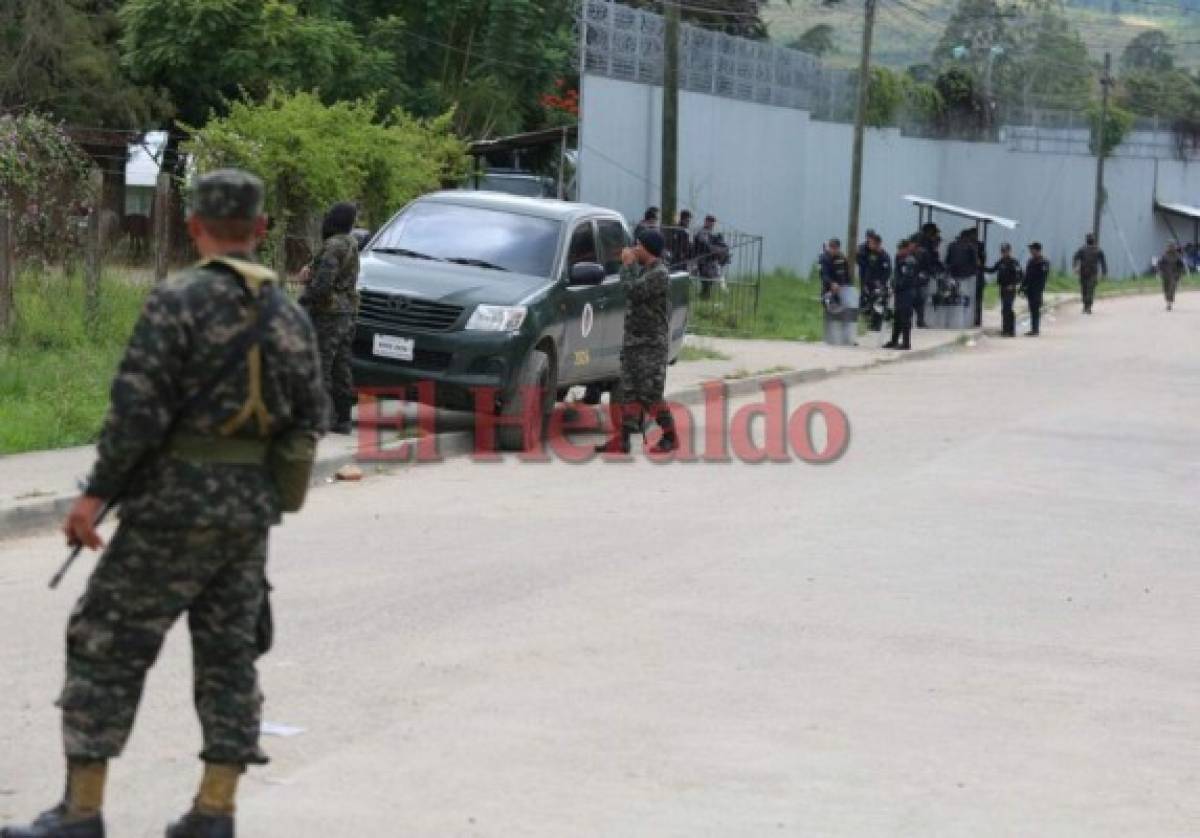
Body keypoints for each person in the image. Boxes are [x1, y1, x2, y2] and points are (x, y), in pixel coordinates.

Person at [1, 171, 326, 838]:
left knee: (106, 644)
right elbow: (309, 419)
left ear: (194, 226)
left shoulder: (177, 301)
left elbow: (135, 415)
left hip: (168, 512)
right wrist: (269, 493)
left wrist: (93, 497)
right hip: (245, 518)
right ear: (261, 229)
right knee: (230, 658)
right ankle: (215, 810)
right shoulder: (289, 314)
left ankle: (82, 810)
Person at [596, 228, 676, 455]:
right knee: (628, 392)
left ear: (647, 248)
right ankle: (622, 440)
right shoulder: (645, 270)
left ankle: (670, 435)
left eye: (638, 245)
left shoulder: (659, 273)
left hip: (651, 345)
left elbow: (633, 291)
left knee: (650, 395)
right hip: (634, 342)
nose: (633, 249)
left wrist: (628, 265)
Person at [300, 202, 361, 435]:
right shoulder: (351, 243)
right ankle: (344, 418)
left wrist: (304, 299)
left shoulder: (333, 245)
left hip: (329, 314)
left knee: (321, 363)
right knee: (342, 365)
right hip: (348, 312)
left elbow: (323, 284)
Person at [884, 237, 918, 350]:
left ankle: (906, 343)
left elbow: (906, 278)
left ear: (906, 249)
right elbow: (896, 275)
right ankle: (894, 340)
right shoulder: (899, 258)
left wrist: (897, 286)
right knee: (897, 317)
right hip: (899, 292)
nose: (898, 251)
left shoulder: (909, 261)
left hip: (906, 292)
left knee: (905, 318)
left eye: (901, 249)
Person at [985, 242, 1023, 337]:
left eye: (1005, 251)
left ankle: (1010, 330)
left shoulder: (1014, 262)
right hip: (1002, 288)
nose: (1004, 253)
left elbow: (1020, 276)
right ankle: (1005, 329)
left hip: (1010, 289)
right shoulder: (1001, 262)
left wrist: (1013, 284)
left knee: (1008, 308)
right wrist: (980, 266)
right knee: (1004, 309)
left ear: (1009, 251)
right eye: (1002, 251)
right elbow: (992, 270)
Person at [858, 231, 892, 332]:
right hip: (868, 283)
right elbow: (863, 264)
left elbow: (887, 272)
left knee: (878, 304)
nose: (869, 245)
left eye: (872, 243)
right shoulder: (869, 254)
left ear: (877, 244)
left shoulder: (884, 256)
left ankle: (876, 325)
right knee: (864, 303)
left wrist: (881, 283)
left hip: (878, 285)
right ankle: (866, 323)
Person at [913, 222, 943, 328]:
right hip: (921, 273)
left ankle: (918, 320)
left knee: (918, 297)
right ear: (929, 232)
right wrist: (934, 271)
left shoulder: (917, 239)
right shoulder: (925, 243)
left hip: (918, 273)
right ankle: (919, 321)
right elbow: (929, 260)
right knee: (920, 298)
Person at [692, 214, 728, 300]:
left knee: (711, 280)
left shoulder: (715, 233)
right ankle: (704, 297)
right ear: (706, 221)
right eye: (710, 221)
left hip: (712, 261)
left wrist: (721, 250)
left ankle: (704, 297)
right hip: (703, 260)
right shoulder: (701, 232)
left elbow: (722, 244)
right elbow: (706, 245)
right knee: (706, 280)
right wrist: (716, 249)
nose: (711, 223)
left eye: (713, 222)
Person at [1072, 233, 1107, 315]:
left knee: (1090, 290)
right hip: (1083, 273)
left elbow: (1103, 262)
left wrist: (1104, 272)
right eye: (1089, 238)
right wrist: (1075, 267)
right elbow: (1075, 258)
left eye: (1091, 238)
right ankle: (1085, 305)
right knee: (1084, 290)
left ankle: (1088, 307)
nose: (1090, 239)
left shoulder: (1098, 250)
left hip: (1093, 274)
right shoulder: (1082, 250)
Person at [1022, 241, 1050, 336]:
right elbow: (1027, 275)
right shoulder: (1031, 261)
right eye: (1030, 249)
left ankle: (1035, 329)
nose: (1030, 251)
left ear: (1037, 250)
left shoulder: (1043, 262)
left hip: (1037, 289)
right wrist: (1022, 286)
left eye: (1032, 249)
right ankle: (1033, 329)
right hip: (1029, 289)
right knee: (1032, 308)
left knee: (1035, 309)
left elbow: (1043, 276)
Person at [1158, 241, 1186, 311]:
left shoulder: (1177, 256)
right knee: (1166, 289)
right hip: (1165, 275)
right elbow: (1160, 264)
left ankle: (1169, 303)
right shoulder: (1164, 255)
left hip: (1174, 275)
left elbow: (1181, 266)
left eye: (1172, 246)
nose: (1171, 248)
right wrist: (1160, 272)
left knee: (1172, 288)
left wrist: (1179, 273)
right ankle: (1168, 301)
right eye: (1169, 246)